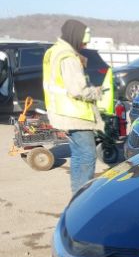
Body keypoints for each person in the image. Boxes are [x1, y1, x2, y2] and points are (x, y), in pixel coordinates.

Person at [43, 19, 104, 194]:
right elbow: (77, 90)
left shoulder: (53, 51)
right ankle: (83, 197)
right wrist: (97, 92)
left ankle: (77, 193)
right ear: (75, 37)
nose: (84, 46)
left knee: (77, 154)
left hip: (61, 112)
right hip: (76, 115)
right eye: (83, 42)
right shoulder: (68, 57)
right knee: (87, 155)